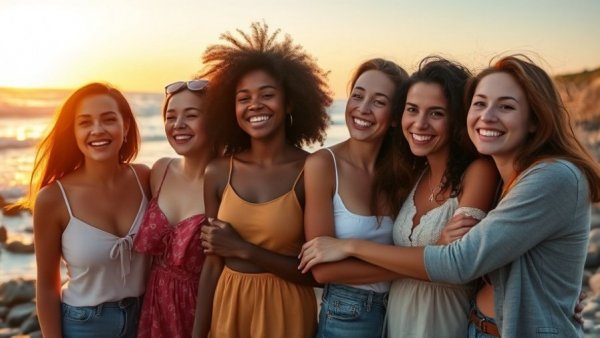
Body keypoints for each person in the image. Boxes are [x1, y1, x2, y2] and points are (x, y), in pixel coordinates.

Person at [299, 55, 600, 337]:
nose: (420, 124)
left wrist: (349, 246)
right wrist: (562, 289)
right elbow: (498, 251)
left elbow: (460, 262)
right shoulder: (413, 173)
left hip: (453, 322)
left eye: (506, 107)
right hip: (407, 320)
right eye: (480, 104)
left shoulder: (521, 174)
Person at [192, 22, 332, 338]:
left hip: (286, 312)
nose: (254, 105)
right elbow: (212, 265)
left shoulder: (311, 170)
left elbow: (319, 276)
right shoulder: (217, 172)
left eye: (267, 95)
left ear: (290, 102)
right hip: (229, 308)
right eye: (243, 98)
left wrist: (245, 249)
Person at [29, 83, 150, 338]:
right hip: (85, 326)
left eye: (108, 119)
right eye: (85, 123)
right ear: (73, 132)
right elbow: (48, 289)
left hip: (146, 319)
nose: (97, 130)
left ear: (125, 126)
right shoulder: (53, 199)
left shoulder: (145, 179)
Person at [303, 58, 409, 338]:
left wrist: (352, 248)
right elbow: (322, 271)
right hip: (347, 314)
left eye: (378, 101)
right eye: (358, 96)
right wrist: (417, 267)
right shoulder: (323, 165)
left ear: (397, 116)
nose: (362, 109)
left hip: (403, 311)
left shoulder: (407, 172)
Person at [133, 79, 213, 338]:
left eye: (191, 115)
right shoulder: (160, 170)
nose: (178, 125)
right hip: (153, 309)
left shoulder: (229, 179)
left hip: (201, 314)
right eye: (171, 116)